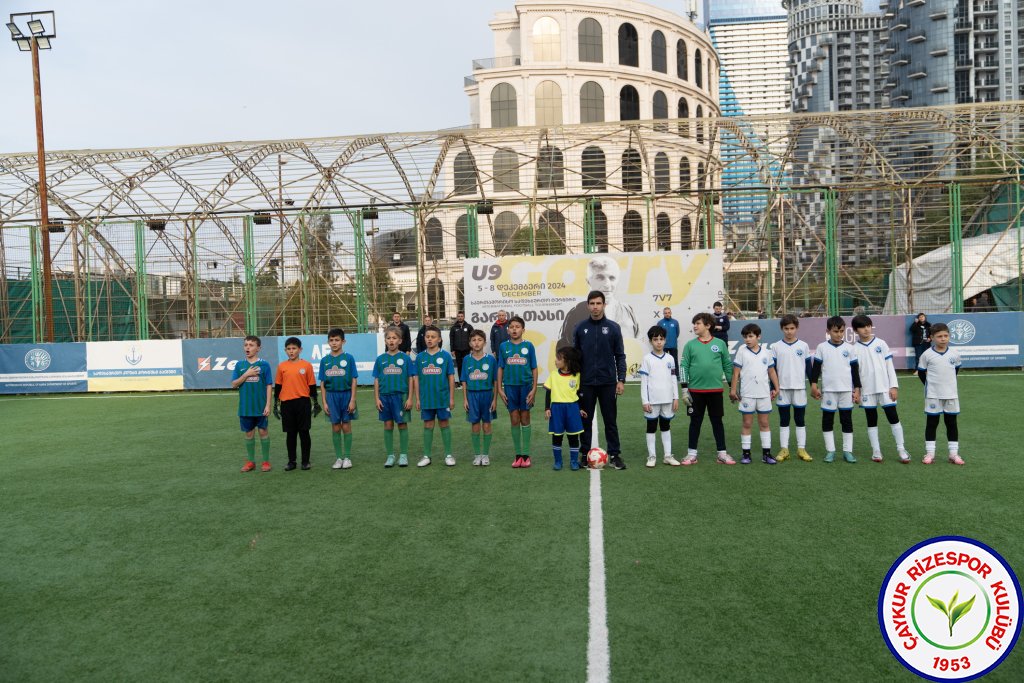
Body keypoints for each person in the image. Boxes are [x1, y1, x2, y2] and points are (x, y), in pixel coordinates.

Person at [573, 290, 628, 470]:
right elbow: (575, 358)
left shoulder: (613, 327)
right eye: (592, 303)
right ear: (588, 305)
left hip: (608, 383)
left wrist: (621, 380)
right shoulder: (580, 328)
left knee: (610, 420)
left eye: (598, 303)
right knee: (585, 421)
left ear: (604, 305)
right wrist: (574, 381)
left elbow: (620, 356)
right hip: (586, 383)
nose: (595, 307)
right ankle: (584, 454)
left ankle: (614, 454)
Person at [852, 315, 909, 463]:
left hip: (885, 388)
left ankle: (901, 449)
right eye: (862, 327)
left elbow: (889, 366)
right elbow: (855, 373)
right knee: (871, 420)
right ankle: (876, 451)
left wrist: (894, 386)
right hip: (867, 391)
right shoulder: (854, 349)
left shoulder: (881, 343)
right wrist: (857, 391)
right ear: (856, 330)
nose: (866, 329)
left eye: (868, 326)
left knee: (893, 418)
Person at [680, 312, 734, 465]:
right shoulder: (690, 345)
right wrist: (684, 389)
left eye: (698, 323)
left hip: (716, 391)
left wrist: (732, 388)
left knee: (717, 422)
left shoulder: (720, 344)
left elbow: (727, 366)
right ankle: (691, 454)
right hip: (695, 392)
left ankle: (722, 454)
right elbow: (683, 367)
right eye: (694, 323)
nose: (695, 326)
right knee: (695, 422)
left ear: (708, 325)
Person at [810, 317, 861, 464]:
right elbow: (816, 368)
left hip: (846, 391)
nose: (839, 334)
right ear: (828, 331)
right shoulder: (822, 347)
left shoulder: (850, 348)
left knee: (846, 421)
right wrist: (814, 385)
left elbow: (855, 371)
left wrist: (857, 389)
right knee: (827, 420)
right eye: (835, 331)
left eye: (841, 331)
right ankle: (830, 450)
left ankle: (847, 451)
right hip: (829, 391)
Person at [559, 256, 640, 347]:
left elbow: (638, 346)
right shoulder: (576, 314)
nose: (607, 284)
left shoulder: (628, 311)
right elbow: (565, 352)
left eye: (612, 278)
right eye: (600, 278)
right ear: (588, 281)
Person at [730, 323, 779, 465]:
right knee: (747, 423)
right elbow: (736, 373)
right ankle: (746, 454)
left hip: (763, 394)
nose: (747, 339)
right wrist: (733, 390)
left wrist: (777, 387)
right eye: (745, 337)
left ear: (759, 336)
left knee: (764, 423)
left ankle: (767, 454)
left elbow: (771, 371)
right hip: (747, 394)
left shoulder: (766, 352)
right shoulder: (741, 351)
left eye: (751, 336)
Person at [916, 323, 964, 465]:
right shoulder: (927, 355)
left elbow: (955, 370)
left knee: (951, 423)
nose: (943, 339)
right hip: (933, 395)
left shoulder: (954, 354)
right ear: (931, 338)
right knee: (932, 423)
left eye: (946, 336)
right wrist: (929, 385)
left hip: (951, 395)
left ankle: (953, 454)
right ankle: (930, 454)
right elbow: (920, 372)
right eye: (939, 336)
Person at [497, 315, 538, 467]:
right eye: (512, 327)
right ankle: (518, 455)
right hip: (509, 387)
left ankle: (526, 455)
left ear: (523, 330)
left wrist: (534, 388)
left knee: (525, 417)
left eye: (517, 327)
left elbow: (534, 367)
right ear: (508, 330)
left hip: (526, 386)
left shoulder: (529, 346)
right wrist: (500, 389)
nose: (514, 329)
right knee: (514, 418)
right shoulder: (503, 347)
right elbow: (500, 367)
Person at [274, 337, 320, 471]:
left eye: (294, 348)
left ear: (300, 350)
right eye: (288, 349)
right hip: (287, 404)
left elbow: (311, 386)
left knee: (304, 432)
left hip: (303, 403)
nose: (291, 351)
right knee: (291, 433)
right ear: (285, 350)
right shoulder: (282, 366)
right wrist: (275, 404)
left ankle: (305, 461)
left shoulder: (306, 366)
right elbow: (278, 386)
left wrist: (315, 403)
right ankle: (291, 461)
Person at [772, 315, 814, 462]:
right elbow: (773, 370)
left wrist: (813, 385)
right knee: (784, 419)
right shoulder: (776, 346)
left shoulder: (803, 345)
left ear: (797, 328)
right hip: (782, 389)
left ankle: (801, 449)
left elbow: (809, 367)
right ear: (782, 329)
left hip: (799, 388)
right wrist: (774, 387)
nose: (789, 331)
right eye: (786, 329)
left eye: (792, 328)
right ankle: (784, 449)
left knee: (800, 419)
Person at [414, 325, 456, 467]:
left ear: (439, 339)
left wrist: (451, 397)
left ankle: (448, 455)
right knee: (428, 424)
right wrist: (418, 399)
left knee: (444, 423)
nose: (429, 339)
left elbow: (451, 377)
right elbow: (416, 379)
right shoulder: (420, 357)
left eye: (433, 337)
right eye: (427, 337)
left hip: (442, 397)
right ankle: (426, 455)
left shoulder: (445, 356)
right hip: (426, 398)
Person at [231, 335, 273, 472]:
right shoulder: (240, 365)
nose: (247, 347)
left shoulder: (264, 365)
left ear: (258, 348)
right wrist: (246, 374)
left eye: (251, 345)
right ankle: (251, 462)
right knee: (249, 434)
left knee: (263, 432)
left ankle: (266, 461)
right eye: (246, 345)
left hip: (260, 407)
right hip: (245, 408)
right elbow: (233, 384)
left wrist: (268, 405)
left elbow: (268, 385)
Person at [640, 325, 680, 467]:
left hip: (668, 399)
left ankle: (667, 456)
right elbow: (644, 382)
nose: (658, 342)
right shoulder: (647, 359)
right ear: (650, 341)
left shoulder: (670, 358)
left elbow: (674, 378)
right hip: (652, 401)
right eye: (655, 339)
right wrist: (645, 400)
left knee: (666, 426)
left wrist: (676, 397)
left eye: (661, 339)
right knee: (651, 427)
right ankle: (652, 456)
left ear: (665, 340)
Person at [373, 327, 414, 468]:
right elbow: (377, 380)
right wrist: (377, 398)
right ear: (385, 340)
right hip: (384, 397)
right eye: (389, 338)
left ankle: (403, 455)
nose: (391, 341)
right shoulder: (380, 359)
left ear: (400, 341)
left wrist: (409, 398)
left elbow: (411, 378)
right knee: (388, 425)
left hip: (401, 396)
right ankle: (390, 455)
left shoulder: (405, 358)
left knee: (402, 424)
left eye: (394, 338)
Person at [320, 327, 358, 470]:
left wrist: (352, 399)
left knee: (346, 425)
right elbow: (322, 383)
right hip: (331, 396)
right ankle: (338, 458)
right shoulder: (325, 360)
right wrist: (324, 402)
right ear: (328, 342)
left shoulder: (349, 358)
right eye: (331, 340)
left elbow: (354, 379)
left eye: (337, 340)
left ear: (343, 341)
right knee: (335, 426)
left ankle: (347, 457)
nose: (334, 343)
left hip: (346, 395)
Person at [544, 346, 587, 471]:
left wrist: (580, 408)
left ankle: (574, 461)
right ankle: (558, 461)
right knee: (557, 436)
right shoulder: (553, 375)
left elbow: (579, 394)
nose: (555, 361)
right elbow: (548, 392)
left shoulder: (577, 376)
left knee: (573, 436)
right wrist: (547, 408)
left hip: (572, 408)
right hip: (556, 409)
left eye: (558, 358)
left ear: (567, 361)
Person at [461, 329, 498, 466]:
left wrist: (495, 400)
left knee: (487, 425)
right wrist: (465, 399)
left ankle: (485, 455)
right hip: (472, 395)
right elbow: (464, 380)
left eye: (479, 340)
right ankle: (477, 455)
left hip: (487, 395)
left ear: (484, 342)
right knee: (475, 424)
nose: (476, 343)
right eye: (474, 340)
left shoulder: (490, 359)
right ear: (470, 343)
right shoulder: (466, 359)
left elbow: (495, 381)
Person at [449, 311, 474, 388]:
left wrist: (472, 348)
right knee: (459, 366)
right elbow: (451, 339)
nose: (460, 317)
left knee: (468, 365)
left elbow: (472, 338)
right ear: (457, 317)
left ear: (464, 317)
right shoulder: (453, 328)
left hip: (467, 350)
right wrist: (452, 350)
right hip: (457, 350)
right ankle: (461, 381)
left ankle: (468, 380)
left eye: (461, 316)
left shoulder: (469, 326)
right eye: (459, 316)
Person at [657, 307, 681, 372]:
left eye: (668, 313)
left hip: (673, 345)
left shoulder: (675, 322)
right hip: (663, 346)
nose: (667, 314)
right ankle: (663, 374)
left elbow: (677, 333)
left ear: (671, 313)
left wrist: (672, 340)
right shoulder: (660, 323)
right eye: (665, 313)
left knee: (674, 361)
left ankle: (676, 375)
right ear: (663, 314)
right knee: (663, 361)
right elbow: (658, 334)